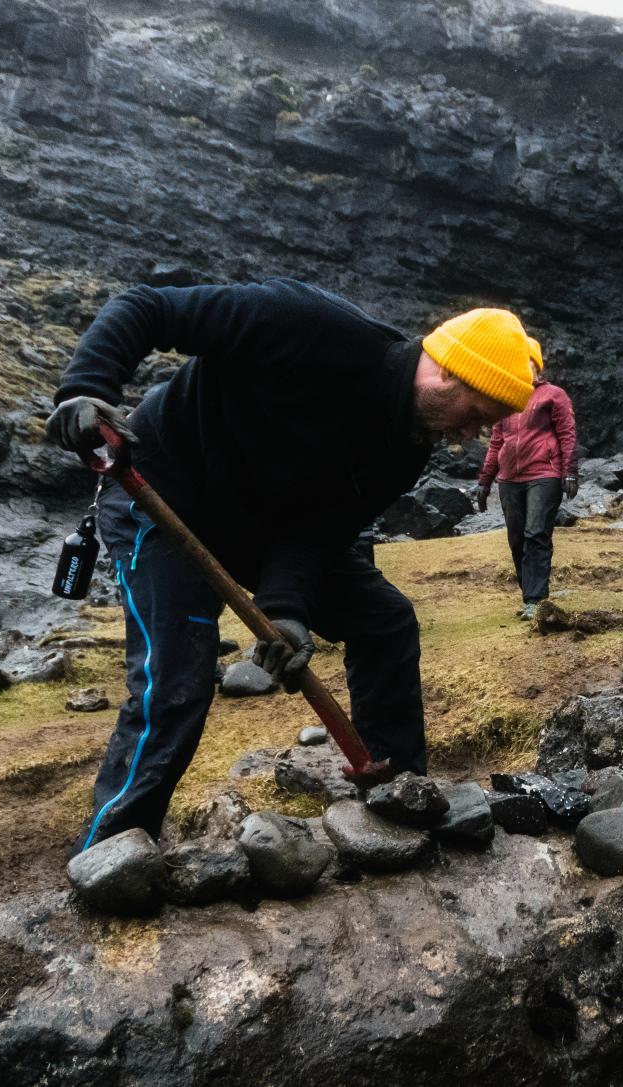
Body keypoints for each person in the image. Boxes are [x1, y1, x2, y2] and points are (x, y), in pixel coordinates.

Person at [46, 280, 533, 852]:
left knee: (385, 620)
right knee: (177, 678)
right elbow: (147, 306)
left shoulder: (406, 446)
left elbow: (320, 529)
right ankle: (111, 852)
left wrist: (286, 609)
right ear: (449, 373)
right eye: (478, 414)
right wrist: (84, 391)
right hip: (158, 492)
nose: (471, 436)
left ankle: (399, 799)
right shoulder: (307, 324)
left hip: (258, 527)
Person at [475, 336, 580, 620]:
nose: (523, 367)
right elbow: (496, 441)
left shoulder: (553, 395)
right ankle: (528, 595)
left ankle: (536, 599)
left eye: (528, 361)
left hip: (544, 475)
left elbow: (568, 434)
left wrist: (570, 471)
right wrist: (485, 481)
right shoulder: (505, 398)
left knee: (536, 533)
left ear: (537, 364)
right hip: (509, 479)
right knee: (516, 538)